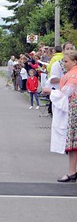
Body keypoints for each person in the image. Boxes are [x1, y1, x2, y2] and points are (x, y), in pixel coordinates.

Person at [43, 51, 77, 182]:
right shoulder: (71, 74)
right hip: (72, 110)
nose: (64, 64)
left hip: (74, 111)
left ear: (75, 61)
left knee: (73, 142)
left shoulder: (74, 75)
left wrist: (50, 91)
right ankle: (72, 172)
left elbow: (65, 93)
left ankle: (72, 172)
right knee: (73, 144)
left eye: (66, 61)